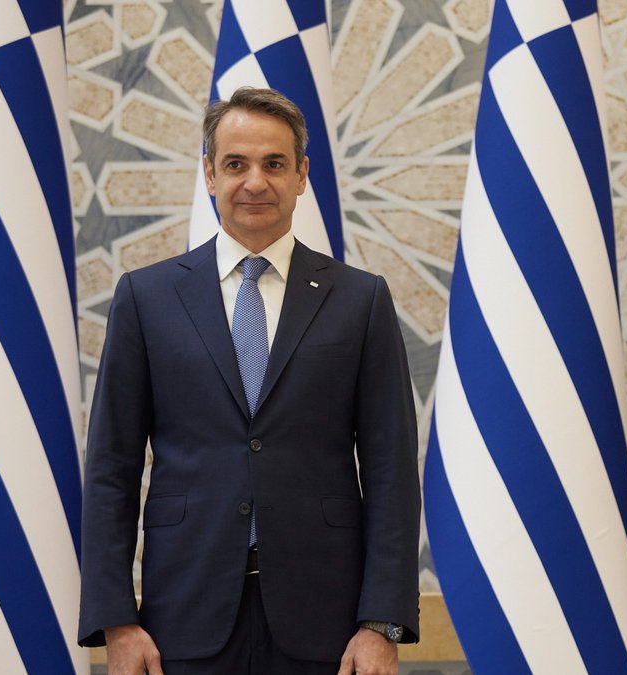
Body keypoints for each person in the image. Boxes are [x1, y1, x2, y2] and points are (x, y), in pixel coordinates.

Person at [78, 87, 420, 675]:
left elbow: (391, 470)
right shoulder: (146, 298)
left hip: (329, 624)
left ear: (302, 175)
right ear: (210, 174)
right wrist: (116, 620)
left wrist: (382, 623)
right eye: (236, 164)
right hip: (181, 617)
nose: (255, 182)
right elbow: (112, 467)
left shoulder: (361, 299)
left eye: (274, 164)